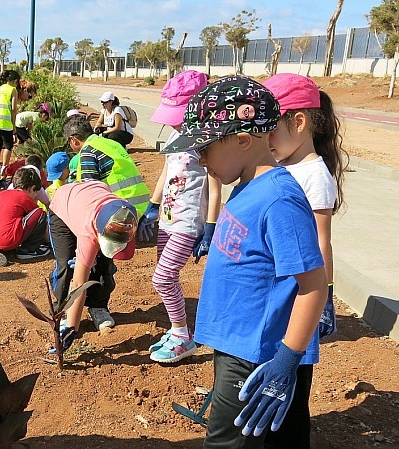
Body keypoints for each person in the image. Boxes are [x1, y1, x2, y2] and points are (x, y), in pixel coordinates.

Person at [159, 76, 327, 447]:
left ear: (241, 140)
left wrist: (286, 362)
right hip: (237, 343)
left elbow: (313, 286)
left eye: (205, 148)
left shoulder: (279, 199)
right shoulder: (247, 186)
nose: (200, 160)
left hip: (257, 355)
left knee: (228, 441)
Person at [263, 73, 348, 447]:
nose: (265, 139)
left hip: (300, 297)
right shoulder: (283, 167)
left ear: (298, 121)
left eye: (270, 128)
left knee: (293, 391)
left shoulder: (314, 175)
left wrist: (325, 297)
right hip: (280, 294)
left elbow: (321, 242)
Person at [137, 70, 221, 364]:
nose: (170, 119)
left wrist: (209, 226)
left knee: (162, 278)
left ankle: (183, 336)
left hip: (187, 222)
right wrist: (152, 204)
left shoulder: (207, 140)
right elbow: (166, 171)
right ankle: (176, 331)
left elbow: (215, 182)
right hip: (168, 218)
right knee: (165, 274)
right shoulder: (176, 135)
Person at [61, 116, 150, 330]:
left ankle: (95, 307)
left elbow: (92, 193)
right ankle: (89, 307)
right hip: (133, 211)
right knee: (101, 260)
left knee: (98, 261)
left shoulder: (89, 153)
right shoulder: (108, 143)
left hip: (114, 216)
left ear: (73, 141)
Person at [48, 180, 137, 349]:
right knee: (66, 267)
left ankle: (97, 306)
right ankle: (63, 313)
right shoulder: (88, 232)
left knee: (104, 265)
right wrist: (72, 328)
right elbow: (79, 284)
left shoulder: (126, 218)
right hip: (64, 205)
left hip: (95, 196)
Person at [0, 167, 51, 266]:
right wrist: (50, 240)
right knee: (40, 213)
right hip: (8, 240)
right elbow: (38, 218)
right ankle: (27, 251)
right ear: (32, 188)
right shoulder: (24, 197)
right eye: (36, 192)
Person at [0, 69, 20, 174]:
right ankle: (4, 167)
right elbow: (13, 109)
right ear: (15, 81)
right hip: (5, 121)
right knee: (8, 145)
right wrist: (14, 128)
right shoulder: (12, 90)